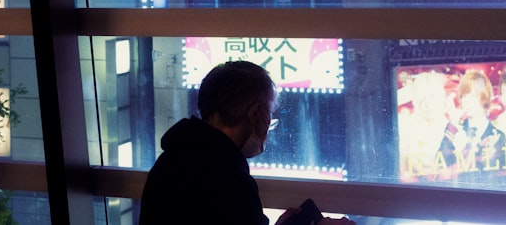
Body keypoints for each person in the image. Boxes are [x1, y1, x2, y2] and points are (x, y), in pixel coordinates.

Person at [138, 61, 355, 225]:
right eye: (269, 114)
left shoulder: (172, 159)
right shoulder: (226, 177)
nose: (269, 126)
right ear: (255, 114)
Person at [438, 69, 506, 177]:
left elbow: (498, 177)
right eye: (463, 96)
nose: (467, 102)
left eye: (472, 97)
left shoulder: (497, 136)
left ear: (485, 98)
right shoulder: (454, 129)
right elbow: (439, 165)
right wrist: (453, 125)